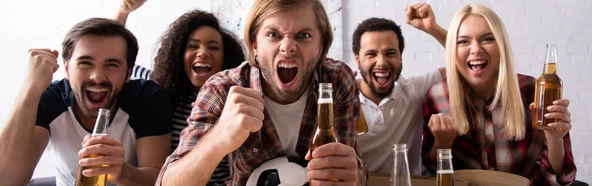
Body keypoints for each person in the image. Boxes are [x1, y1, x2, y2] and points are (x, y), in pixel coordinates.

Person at [157, 0, 367, 185]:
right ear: (255, 44)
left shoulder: (336, 81)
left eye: (303, 35)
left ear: (321, 46)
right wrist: (219, 137)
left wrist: (354, 177)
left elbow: (355, 171)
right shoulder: (223, 88)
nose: (287, 47)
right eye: (273, 34)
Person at [0, 18, 172, 186]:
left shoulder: (147, 98)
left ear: (128, 74)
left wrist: (123, 173)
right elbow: (6, 180)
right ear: (66, 68)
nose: (97, 77)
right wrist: (30, 88)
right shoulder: (49, 99)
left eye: (112, 65)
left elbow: (160, 179)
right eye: (85, 63)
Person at [421, 4, 576, 185]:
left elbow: (561, 179)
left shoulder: (534, 90)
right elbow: (432, 173)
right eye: (463, 41)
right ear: (452, 50)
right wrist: (443, 143)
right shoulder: (436, 96)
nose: (476, 49)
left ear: (501, 45)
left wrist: (555, 139)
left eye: (487, 39)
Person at [114, 1, 246, 184]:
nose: (203, 53)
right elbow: (114, 62)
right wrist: (123, 12)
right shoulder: (163, 92)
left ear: (226, 58)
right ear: (178, 55)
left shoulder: (235, 101)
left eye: (213, 47)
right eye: (193, 46)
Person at [353, 3, 447, 175]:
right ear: (357, 59)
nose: (381, 62)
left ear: (400, 57)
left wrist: (433, 29)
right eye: (371, 54)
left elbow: (464, 63)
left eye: (390, 53)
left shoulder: (413, 90)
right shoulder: (341, 98)